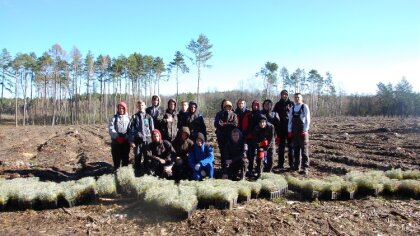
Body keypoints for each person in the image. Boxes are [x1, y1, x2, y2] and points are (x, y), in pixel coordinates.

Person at [129, 100, 154, 176]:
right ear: (137, 107)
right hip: (137, 141)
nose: (141, 107)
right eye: (139, 105)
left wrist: (153, 141)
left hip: (147, 141)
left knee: (148, 157)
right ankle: (137, 173)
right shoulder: (134, 117)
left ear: (145, 106)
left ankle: (147, 173)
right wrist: (131, 141)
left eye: (142, 105)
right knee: (137, 157)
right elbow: (130, 130)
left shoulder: (149, 117)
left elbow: (152, 129)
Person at [288, 93, 311, 175]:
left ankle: (305, 168)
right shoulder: (292, 108)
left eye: (298, 97)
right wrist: (289, 130)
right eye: (295, 97)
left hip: (302, 132)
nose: (297, 99)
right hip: (294, 132)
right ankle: (296, 166)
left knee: (304, 151)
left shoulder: (304, 106)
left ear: (301, 98)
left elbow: (308, 120)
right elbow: (290, 120)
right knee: (296, 150)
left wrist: (305, 130)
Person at [273, 90, 294, 170]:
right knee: (281, 147)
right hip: (280, 129)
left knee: (291, 147)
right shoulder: (277, 104)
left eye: (285, 94)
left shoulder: (291, 104)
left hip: (289, 129)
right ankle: (280, 164)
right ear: (281, 95)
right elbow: (274, 115)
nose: (284, 96)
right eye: (283, 94)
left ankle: (291, 164)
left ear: (287, 95)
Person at [214, 100, 238, 169]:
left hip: (231, 137)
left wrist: (225, 124)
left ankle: (230, 168)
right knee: (223, 152)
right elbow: (216, 124)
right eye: (226, 106)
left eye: (229, 107)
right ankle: (223, 168)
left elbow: (235, 124)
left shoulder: (234, 115)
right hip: (221, 136)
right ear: (224, 107)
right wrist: (226, 125)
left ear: (231, 107)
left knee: (231, 152)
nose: (227, 108)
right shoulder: (219, 114)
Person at [108, 101, 130, 170]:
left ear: (125, 109)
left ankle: (124, 173)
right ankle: (116, 171)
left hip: (126, 142)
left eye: (123, 108)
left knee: (125, 158)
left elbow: (131, 128)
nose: (121, 110)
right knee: (116, 158)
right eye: (119, 108)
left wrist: (127, 136)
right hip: (116, 142)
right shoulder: (114, 118)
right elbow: (111, 129)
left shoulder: (129, 118)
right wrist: (117, 137)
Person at [243, 100, 261, 177]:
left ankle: (258, 170)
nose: (255, 107)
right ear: (252, 106)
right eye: (254, 105)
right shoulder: (249, 114)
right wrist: (246, 134)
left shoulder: (261, 115)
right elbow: (247, 125)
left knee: (260, 155)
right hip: (250, 137)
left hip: (259, 138)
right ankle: (250, 169)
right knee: (250, 155)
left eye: (257, 105)